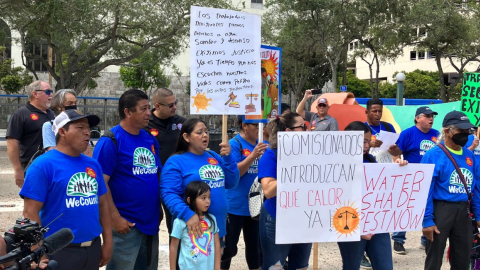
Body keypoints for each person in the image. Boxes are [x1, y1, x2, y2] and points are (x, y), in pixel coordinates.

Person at [19, 110, 112, 270]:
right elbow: (30, 213)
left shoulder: (93, 164)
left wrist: (108, 242)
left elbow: (103, 205)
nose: (87, 132)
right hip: (59, 251)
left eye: (88, 128)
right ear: (62, 131)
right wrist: (38, 252)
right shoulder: (42, 165)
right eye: (80, 127)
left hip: (92, 248)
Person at [93, 89, 161, 270]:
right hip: (125, 225)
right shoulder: (111, 141)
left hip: (150, 223)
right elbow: (100, 183)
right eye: (143, 109)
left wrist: (159, 209)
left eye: (149, 108)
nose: (149, 113)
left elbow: (156, 176)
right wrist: (115, 218)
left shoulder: (149, 140)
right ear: (127, 112)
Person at [337, 121, 408, 270]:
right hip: (350, 225)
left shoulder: (371, 160)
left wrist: (398, 169)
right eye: (363, 141)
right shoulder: (337, 164)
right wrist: (356, 228)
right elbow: (335, 200)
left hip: (376, 225)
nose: (366, 146)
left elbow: (381, 187)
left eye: (368, 142)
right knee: (351, 266)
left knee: (385, 266)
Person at [160, 118, 239, 251]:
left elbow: (232, 182)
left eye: (206, 132)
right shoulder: (176, 161)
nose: (205, 135)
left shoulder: (213, 156)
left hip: (217, 228)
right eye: (199, 132)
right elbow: (168, 193)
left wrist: (229, 158)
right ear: (186, 137)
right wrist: (187, 214)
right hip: (193, 230)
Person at [421, 111, 480, 270]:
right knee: (434, 259)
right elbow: (425, 191)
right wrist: (427, 220)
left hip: (464, 212)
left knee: (462, 259)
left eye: (468, 130)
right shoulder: (433, 155)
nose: (466, 134)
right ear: (447, 131)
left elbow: (474, 189)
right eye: (461, 130)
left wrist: (478, 216)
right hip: (441, 210)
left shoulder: (470, 155)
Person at [257, 112, 312, 270]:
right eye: (303, 127)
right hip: (276, 219)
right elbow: (268, 190)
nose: (306, 130)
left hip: (303, 219)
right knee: (276, 266)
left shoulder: (310, 154)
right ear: (288, 132)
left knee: (301, 266)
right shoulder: (271, 155)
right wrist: (294, 172)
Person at [221, 116, 268, 270]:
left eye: (263, 125)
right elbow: (234, 173)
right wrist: (253, 156)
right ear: (245, 126)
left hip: (255, 205)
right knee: (228, 248)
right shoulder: (235, 144)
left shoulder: (263, 144)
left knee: (255, 247)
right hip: (235, 205)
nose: (260, 129)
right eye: (256, 125)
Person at [391, 106, 439, 254]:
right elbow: (395, 153)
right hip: (413, 178)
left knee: (431, 208)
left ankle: (426, 239)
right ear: (417, 118)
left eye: (432, 116)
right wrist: (397, 161)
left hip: (433, 178)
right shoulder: (407, 134)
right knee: (406, 208)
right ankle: (398, 240)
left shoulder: (437, 134)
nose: (431, 118)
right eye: (427, 116)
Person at [147, 87, 186, 235]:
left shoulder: (183, 124)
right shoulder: (145, 124)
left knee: (176, 224)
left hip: (175, 181)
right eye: (170, 105)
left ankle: (176, 257)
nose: (175, 107)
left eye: (175, 103)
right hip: (152, 180)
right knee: (152, 221)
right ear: (157, 106)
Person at [6, 80, 55, 187]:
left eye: (51, 91)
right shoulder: (21, 114)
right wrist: (18, 170)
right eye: (47, 92)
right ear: (35, 94)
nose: (51, 94)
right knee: (34, 201)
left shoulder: (52, 114)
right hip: (32, 167)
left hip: (51, 166)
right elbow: (12, 143)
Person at [169, 181, 220, 270]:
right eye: (203, 198)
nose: (208, 201)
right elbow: (173, 247)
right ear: (189, 200)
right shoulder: (180, 222)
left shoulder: (212, 220)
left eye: (209, 197)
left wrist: (217, 267)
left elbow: (217, 244)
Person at [41, 89, 92, 155]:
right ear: (59, 106)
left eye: (75, 103)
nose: (74, 106)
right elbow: (53, 153)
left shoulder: (81, 124)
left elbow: (87, 153)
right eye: (70, 103)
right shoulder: (49, 126)